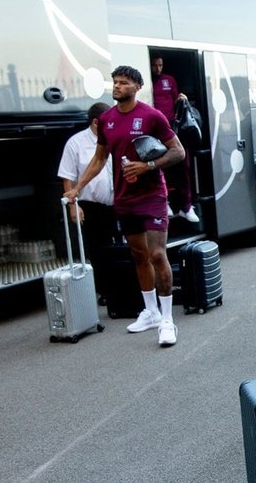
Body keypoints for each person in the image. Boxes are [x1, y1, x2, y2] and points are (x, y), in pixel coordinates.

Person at [64, 65, 185, 347]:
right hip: (125, 198)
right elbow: (99, 159)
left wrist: (148, 166)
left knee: (157, 254)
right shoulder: (106, 119)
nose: (117, 87)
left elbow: (178, 151)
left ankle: (167, 320)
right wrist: (78, 188)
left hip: (152, 196)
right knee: (138, 255)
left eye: (123, 83)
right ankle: (151, 312)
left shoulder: (151, 116)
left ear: (137, 87)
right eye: (115, 82)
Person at [57, 102, 122, 302]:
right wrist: (73, 206)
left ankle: (125, 286)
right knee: (99, 249)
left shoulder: (116, 137)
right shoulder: (76, 143)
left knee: (123, 246)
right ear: (96, 122)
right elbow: (67, 176)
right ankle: (105, 291)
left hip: (119, 201)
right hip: (93, 205)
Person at [150, 54, 199, 223]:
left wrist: (182, 99)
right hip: (153, 132)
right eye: (155, 65)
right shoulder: (147, 83)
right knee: (161, 169)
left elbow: (176, 101)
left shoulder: (169, 80)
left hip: (172, 129)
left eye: (160, 64)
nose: (158, 68)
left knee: (183, 167)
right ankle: (166, 203)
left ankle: (187, 206)